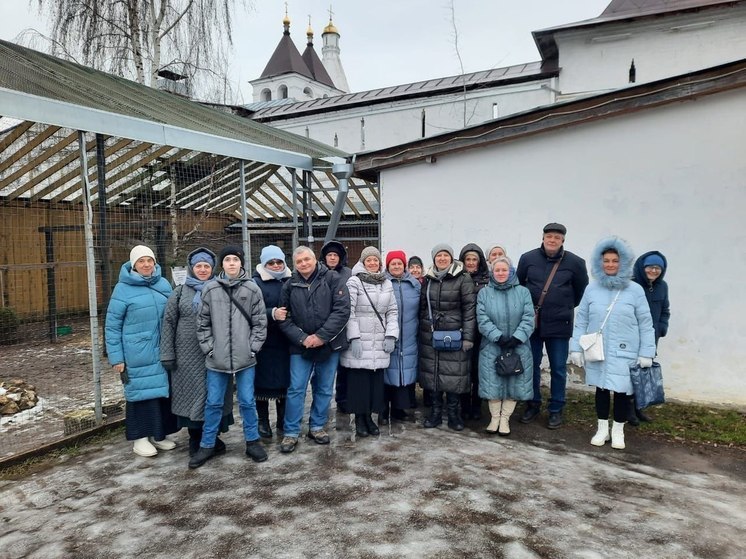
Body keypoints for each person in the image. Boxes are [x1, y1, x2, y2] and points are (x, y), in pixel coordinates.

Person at [569, 236, 656, 450]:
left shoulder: (635, 290)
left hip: (625, 351)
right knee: (600, 389)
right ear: (600, 263)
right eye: (606, 261)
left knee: (621, 393)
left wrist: (647, 352)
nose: (610, 264)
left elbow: (645, 323)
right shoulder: (592, 289)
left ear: (623, 262)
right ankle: (601, 428)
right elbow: (582, 319)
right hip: (598, 350)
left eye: (614, 261)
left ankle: (618, 430)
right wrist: (575, 348)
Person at [190, 246, 268, 468]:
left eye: (235, 259)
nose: (232, 263)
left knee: (247, 401)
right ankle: (207, 444)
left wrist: (252, 348)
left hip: (245, 359)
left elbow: (260, 322)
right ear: (222, 265)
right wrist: (209, 348)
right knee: (213, 402)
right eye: (227, 260)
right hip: (217, 359)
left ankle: (252, 441)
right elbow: (202, 323)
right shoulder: (210, 289)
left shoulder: (252, 289)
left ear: (241, 263)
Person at [105, 245, 177, 457]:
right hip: (137, 353)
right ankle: (140, 438)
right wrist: (116, 358)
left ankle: (158, 434)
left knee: (162, 393)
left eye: (149, 260)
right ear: (133, 265)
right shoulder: (122, 289)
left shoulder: (163, 284)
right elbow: (112, 326)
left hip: (163, 350)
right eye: (141, 261)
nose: (146, 265)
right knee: (140, 395)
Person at [278, 246, 351, 453]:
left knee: (324, 388)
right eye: (299, 261)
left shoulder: (332, 279)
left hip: (329, 344)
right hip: (299, 347)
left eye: (307, 259)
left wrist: (320, 337)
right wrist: (302, 338)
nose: (303, 264)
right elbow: (284, 317)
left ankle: (317, 426)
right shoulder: (290, 284)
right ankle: (291, 432)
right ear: (295, 264)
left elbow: (342, 310)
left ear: (314, 259)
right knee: (296, 388)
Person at [161, 248, 233, 457]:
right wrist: (168, 354)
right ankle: (195, 439)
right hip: (187, 356)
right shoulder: (180, 292)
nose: (202, 270)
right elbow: (168, 322)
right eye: (198, 266)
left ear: (213, 268)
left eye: (207, 266)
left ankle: (213, 437)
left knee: (215, 395)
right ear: (192, 268)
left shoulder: (221, 289)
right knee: (192, 396)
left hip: (215, 353)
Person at [517, 223, 589, 429]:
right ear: (542, 237)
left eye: (557, 237)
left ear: (563, 240)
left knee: (558, 368)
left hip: (560, 324)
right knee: (532, 366)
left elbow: (580, 291)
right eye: (549, 236)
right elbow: (519, 286)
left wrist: (563, 307)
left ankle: (556, 409)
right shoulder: (527, 258)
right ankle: (533, 404)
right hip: (533, 324)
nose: (552, 240)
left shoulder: (575, 262)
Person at [341, 247, 399, 437]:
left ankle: (369, 419)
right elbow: (348, 311)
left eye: (375, 260)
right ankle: (359, 419)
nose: (372, 263)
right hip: (360, 340)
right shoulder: (354, 281)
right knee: (360, 382)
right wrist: (354, 337)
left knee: (375, 383)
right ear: (363, 262)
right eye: (369, 260)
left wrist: (391, 335)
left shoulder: (386, 283)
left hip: (379, 339)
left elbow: (392, 312)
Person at [419, 243, 477, 431]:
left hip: (454, 334)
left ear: (451, 258)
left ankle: (454, 414)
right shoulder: (428, 279)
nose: (442, 259)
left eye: (445, 255)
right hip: (431, 332)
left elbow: (469, 310)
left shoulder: (463, 278)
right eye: (438, 256)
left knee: (453, 374)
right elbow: (422, 306)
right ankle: (435, 413)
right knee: (434, 373)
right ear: (434, 258)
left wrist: (468, 337)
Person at [476, 256, 535, 436]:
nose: (501, 273)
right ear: (492, 272)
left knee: (514, 383)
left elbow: (528, 317)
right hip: (492, 345)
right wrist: (497, 337)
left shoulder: (523, 292)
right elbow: (482, 318)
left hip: (519, 345)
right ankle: (494, 418)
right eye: (497, 270)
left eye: (504, 270)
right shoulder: (484, 293)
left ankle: (505, 419)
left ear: (511, 271)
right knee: (492, 382)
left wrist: (517, 338)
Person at [252, 245, 292, 439]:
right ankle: (263, 422)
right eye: (271, 262)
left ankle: (283, 421)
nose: (276, 265)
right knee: (261, 385)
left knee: (284, 383)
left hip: (286, 341)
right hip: (263, 342)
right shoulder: (255, 283)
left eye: (279, 262)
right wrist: (272, 313)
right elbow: (250, 311)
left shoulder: (291, 281)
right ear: (264, 263)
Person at [629, 250, 671, 424]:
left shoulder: (662, 286)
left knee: (643, 374)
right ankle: (627, 410)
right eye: (650, 267)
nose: (653, 271)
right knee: (630, 374)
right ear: (642, 267)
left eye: (657, 268)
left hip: (651, 338)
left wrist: (662, 328)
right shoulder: (631, 285)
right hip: (631, 338)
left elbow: (665, 311)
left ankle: (639, 408)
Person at [382, 250, 420, 424]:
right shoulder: (382, 283)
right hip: (387, 333)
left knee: (403, 371)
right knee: (386, 370)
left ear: (404, 265)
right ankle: (383, 409)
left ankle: (399, 408)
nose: (396, 266)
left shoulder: (414, 284)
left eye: (399, 263)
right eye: (393, 264)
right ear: (387, 266)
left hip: (409, 333)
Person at [458, 243, 490, 420]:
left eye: (474, 259)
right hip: (461, 332)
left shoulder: (487, 280)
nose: (470, 263)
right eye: (467, 259)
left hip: (481, 333)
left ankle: (477, 405)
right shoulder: (456, 278)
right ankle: (463, 405)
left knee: (478, 370)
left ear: (480, 262)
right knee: (463, 370)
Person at [321, 239, 352, 414]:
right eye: (329, 255)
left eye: (335, 255)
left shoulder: (348, 273)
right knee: (324, 370)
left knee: (344, 367)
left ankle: (343, 399)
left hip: (344, 326)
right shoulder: (319, 273)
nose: (332, 258)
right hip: (323, 326)